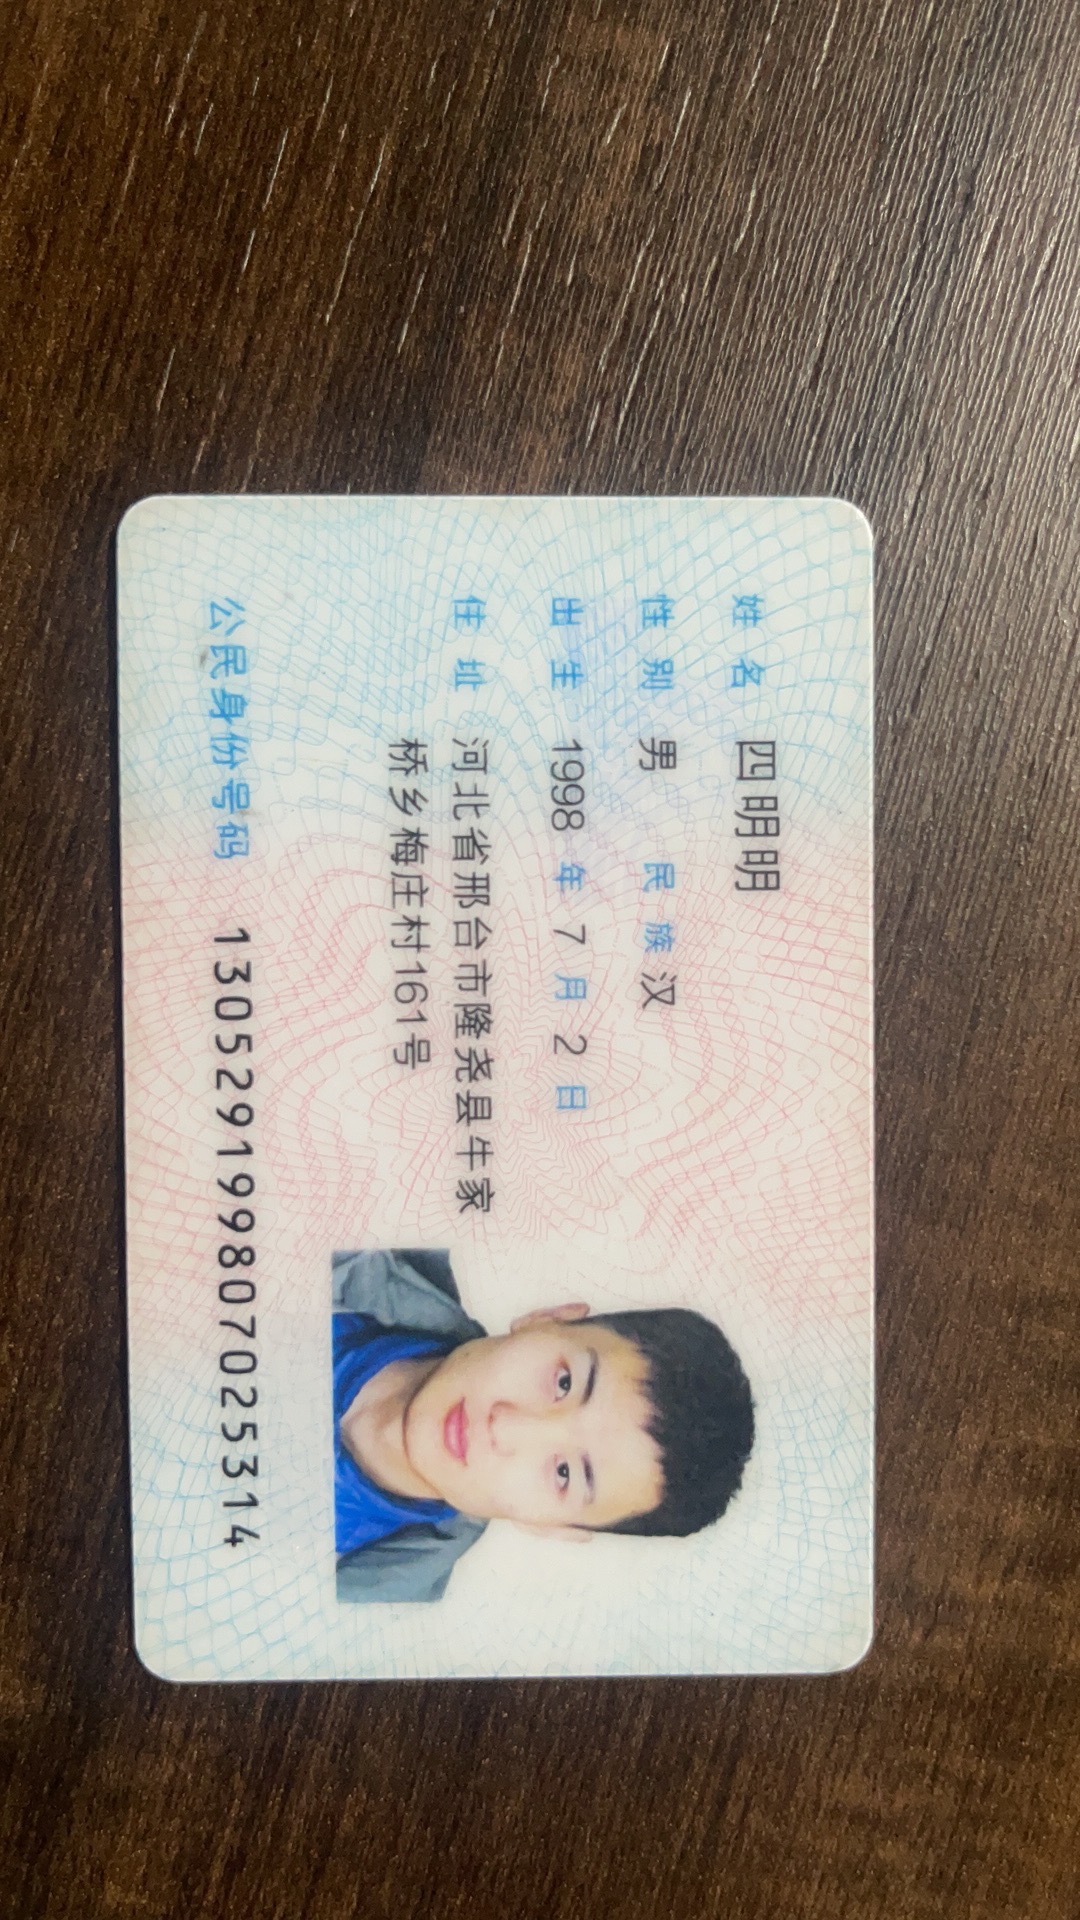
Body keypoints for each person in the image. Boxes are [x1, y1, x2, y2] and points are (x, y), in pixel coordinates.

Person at [332, 1247, 755, 1603]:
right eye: (564, 1383)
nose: (506, 1427)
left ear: (549, 1527)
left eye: (564, 1473)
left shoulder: (374, 1619)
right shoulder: (366, 1234)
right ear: (547, 1318)